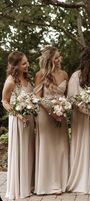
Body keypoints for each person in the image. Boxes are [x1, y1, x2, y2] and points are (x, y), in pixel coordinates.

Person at [66, 47, 90, 193]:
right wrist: (85, 110)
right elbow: (72, 98)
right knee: (84, 144)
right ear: (88, 59)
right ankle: (82, 180)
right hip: (83, 118)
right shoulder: (76, 76)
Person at [34, 46, 69, 195]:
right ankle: (46, 184)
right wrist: (51, 111)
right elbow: (37, 97)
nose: (59, 60)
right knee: (47, 148)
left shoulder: (64, 74)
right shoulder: (40, 75)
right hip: (45, 115)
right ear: (49, 60)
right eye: (56, 58)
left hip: (61, 114)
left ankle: (62, 181)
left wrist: (62, 109)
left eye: (59, 57)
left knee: (61, 147)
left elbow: (66, 96)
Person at [2, 51, 35, 199]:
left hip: (29, 119)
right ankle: (19, 188)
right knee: (20, 151)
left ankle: (28, 184)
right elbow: (4, 102)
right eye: (23, 63)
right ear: (15, 66)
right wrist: (18, 114)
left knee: (29, 150)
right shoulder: (11, 81)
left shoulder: (28, 78)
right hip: (18, 120)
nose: (27, 65)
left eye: (27, 62)